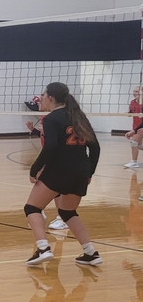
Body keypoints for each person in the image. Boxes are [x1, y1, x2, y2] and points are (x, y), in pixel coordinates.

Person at [24, 82, 102, 267]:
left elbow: (50, 146)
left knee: (32, 208)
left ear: (51, 97)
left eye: (43, 95)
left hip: (60, 169)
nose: (41, 98)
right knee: (67, 212)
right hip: (81, 171)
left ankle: (43, 248)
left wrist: (35, 169)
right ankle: (90, 253)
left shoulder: (51, 118)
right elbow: (95, 148)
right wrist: (89, 172)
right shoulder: (78, 116)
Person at [125, 86, 143, 169]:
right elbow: (130, 113)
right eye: (134, 91)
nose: (135, 93)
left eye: (137, 91)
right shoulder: (132, 102)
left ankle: (134, 162)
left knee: (134, 141)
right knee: (138, 145)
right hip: (136, 126)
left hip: (141, 127)